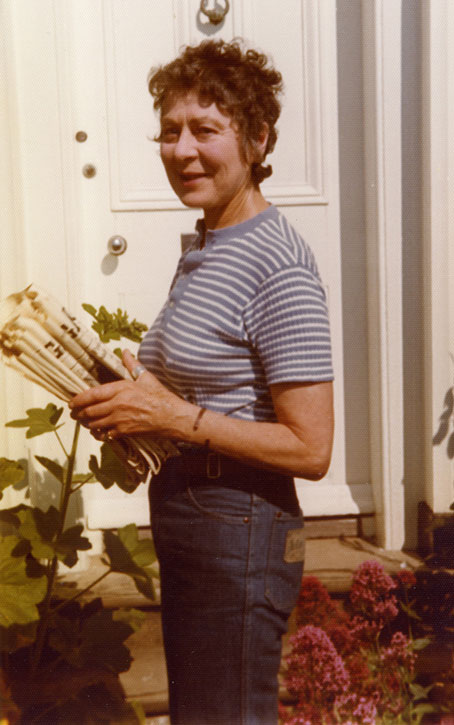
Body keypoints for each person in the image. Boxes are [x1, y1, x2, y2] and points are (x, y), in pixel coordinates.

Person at [70, 39, 334, 725]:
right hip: (197, 514)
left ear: (256, 137)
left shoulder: (278, 265)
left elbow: (311, 448)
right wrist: (123, 385)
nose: (181, 149)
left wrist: (171, 416)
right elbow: (199, 383)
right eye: (168, 130)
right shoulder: (212, 244)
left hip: (240, 527)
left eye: (205, 129)